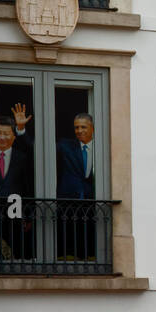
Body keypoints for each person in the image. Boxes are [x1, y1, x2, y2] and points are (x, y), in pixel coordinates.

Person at [0, 105, 35, 260]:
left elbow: (28, 187)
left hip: (14, 213)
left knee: (15, 250)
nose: (1, 137)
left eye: (5, 133)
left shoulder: (22, 157)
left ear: (13, 136)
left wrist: (29, 215)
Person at [56, 112, 99, 261]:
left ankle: (92, 255)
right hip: (69, 198)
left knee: (90, 231)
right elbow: (38, 149)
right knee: (70, 233)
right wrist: (21, 130)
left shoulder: (102, 147)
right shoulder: (65, 145)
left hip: (92, 200)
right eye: (76, 127)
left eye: (83, 127)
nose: (79, 131)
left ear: (93, 128)